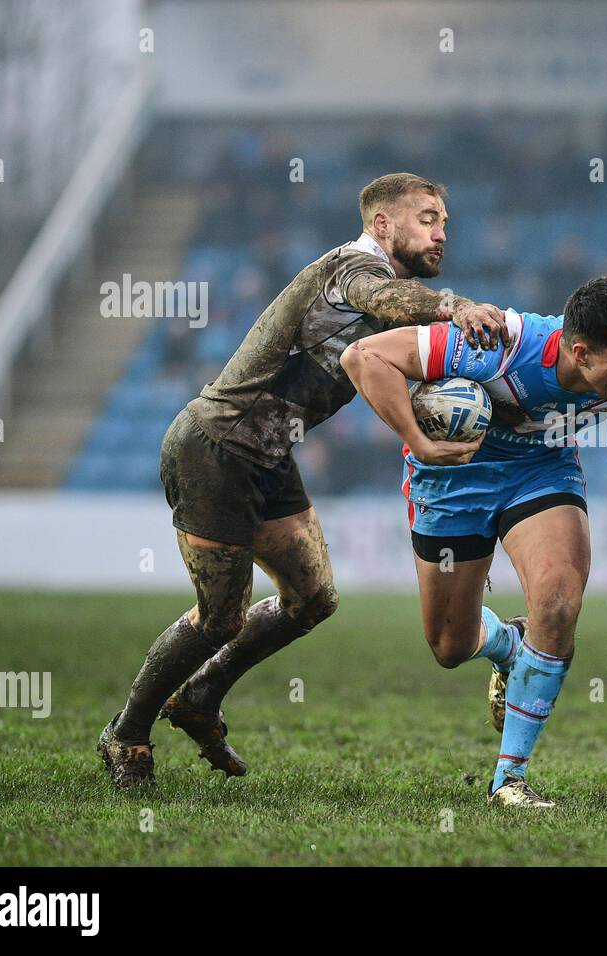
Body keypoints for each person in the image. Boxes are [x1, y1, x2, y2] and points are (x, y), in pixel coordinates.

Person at [98, 173, 507, 789]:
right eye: (427, 218)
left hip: (268, 457)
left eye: (444, 221)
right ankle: (126, 734)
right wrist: (457, 306)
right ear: (382, 224)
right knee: (220, 618)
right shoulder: (349, 269)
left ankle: (201, 696)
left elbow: (402, 366)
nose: (440, 232)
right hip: (217, 446)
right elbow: (386, 301)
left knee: (312, 598)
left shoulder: (380, 299)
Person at [342, 277, 607, 808]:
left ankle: (509, 779)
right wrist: (419, 443)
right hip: (452, 479)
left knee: (559, 601)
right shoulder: (498, 345)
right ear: (580, 353)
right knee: (449, 646)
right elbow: (363, 356)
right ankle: (509, 645)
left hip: (541, 474)